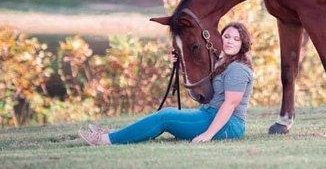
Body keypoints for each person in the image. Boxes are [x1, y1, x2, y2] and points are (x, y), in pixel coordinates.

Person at [79, 22, 254, 145]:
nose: (230, 41)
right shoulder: (222, 62)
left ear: (243, 43)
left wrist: (208, 135)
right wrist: (180, 60)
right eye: (227, 36)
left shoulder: (237, 69)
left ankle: (107, 140)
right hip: (210, 115)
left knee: (165, 116)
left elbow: (230, 104)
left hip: (229, 125)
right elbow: (198, 68)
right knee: (167, 115)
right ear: (219, 38)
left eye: (236, 39)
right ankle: (113, 135)